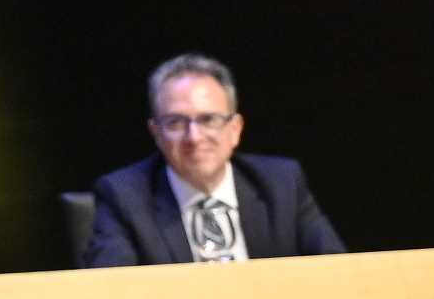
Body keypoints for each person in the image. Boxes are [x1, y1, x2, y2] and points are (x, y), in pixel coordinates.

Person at [83, 54, 346, 264]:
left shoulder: (282, 183)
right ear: (156, 133)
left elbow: (339, 272)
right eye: (175, 122)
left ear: (235, 129)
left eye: (209, 120)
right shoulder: (124, 196)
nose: (194, 137)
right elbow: (111, 293)